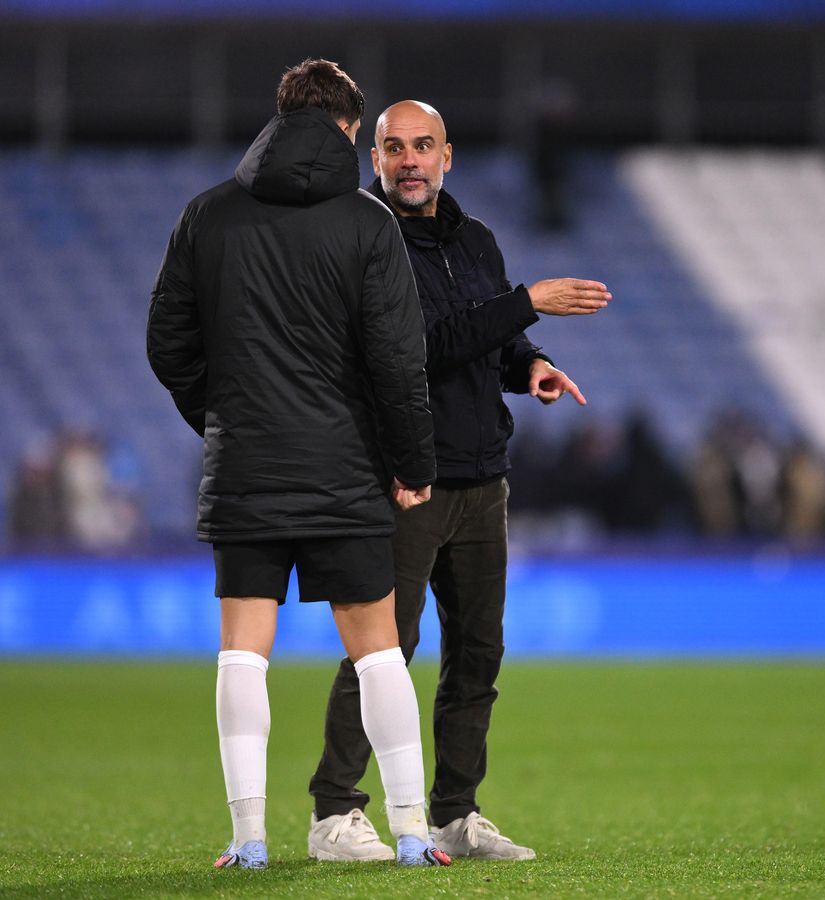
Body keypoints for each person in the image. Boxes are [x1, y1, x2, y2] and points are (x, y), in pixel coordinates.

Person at [147, 61, 449, 869]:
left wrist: (223, 418)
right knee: (377, 649)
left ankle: (248, 841)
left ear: (280, 116)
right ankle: (414, 832)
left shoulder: (207, 215)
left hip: (246, 463)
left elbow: (167, 346)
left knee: (243, 649)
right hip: (345, 469)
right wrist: (411, 461)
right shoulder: (367, 222)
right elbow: (397, 361)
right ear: (352, 128)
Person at [307, 99, 610, 863]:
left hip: (482, 480)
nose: (410, 160)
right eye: (394, 148)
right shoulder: (362, 240)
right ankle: (334, 813)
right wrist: (526, 303)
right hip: (405, 480)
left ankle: (454, 815)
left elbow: (490, 335)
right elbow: (413, 350)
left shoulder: (475, 240)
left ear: (449, 156)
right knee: (384, 650)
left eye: (423, 146)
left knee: (478, 655)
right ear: (373, 160)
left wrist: (528, 364)